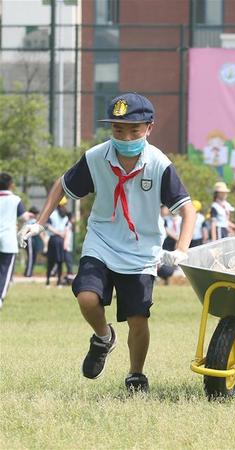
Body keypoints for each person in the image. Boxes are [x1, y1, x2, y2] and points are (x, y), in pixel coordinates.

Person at [18, 93, 194, 393]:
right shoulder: (96, 157)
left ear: (149, 128)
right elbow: (62, 184)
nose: (125, 137)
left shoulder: (159, 164)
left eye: (134, 130)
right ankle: (103, 337)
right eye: (118, 130)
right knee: (86, 297)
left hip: (142, 249)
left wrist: (181, 250)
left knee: (138, 319)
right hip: (101, 240)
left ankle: (135, 374)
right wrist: (39, 222)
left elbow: (187, 209)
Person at [0, 172, 30, 310]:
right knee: (5, 272)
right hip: (7, 240)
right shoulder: (15, 199)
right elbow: (24, 217)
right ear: (11, 184)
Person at [46, 196, 69, 287]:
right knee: (57, 261)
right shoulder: (64, 216)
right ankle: (55, 281)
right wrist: (61, 234)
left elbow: (48, 226)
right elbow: (66, 229)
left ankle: (51, 281)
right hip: (59, 239)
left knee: (53, 261)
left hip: (55, 239)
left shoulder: (54, 214)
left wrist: (61, 235)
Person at [22, 206, 41, 278]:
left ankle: (29, 272)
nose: (37, 215)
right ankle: (28, 273)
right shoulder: (31, 220)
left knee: (33, 255)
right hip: (28, 239)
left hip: (31, 239)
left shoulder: (30, 220)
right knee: (31, 256)